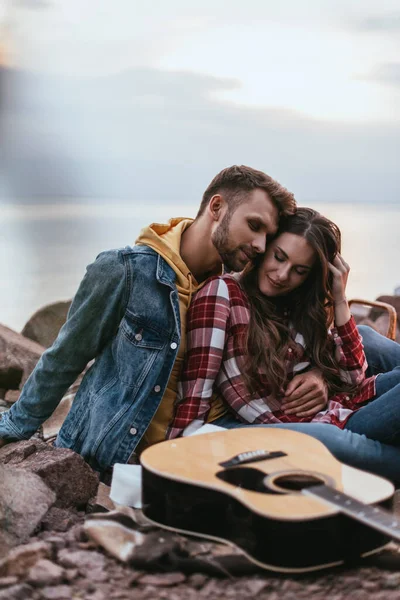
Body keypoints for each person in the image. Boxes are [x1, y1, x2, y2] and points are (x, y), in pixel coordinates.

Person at [0, 165, 298, 475]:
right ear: (217, 207)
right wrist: (15, 426)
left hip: (206, 449)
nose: (261, 245)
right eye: (254, 225)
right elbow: (64, 358)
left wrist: (317, 376)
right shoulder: (125, 271)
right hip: (123, 459)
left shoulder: (235, 292)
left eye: (268, 236)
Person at [168, 208, 400, 484]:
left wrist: (339, 299)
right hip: (295, 428)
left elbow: (353, 378)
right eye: (279, 257)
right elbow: (196, 387)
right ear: (265, 248)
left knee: (364, 341)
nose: (282, 275)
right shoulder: (222, 294)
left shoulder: (298, 303)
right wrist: (174, 455)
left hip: (336, 411)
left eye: (299, 271)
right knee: (335, 441)